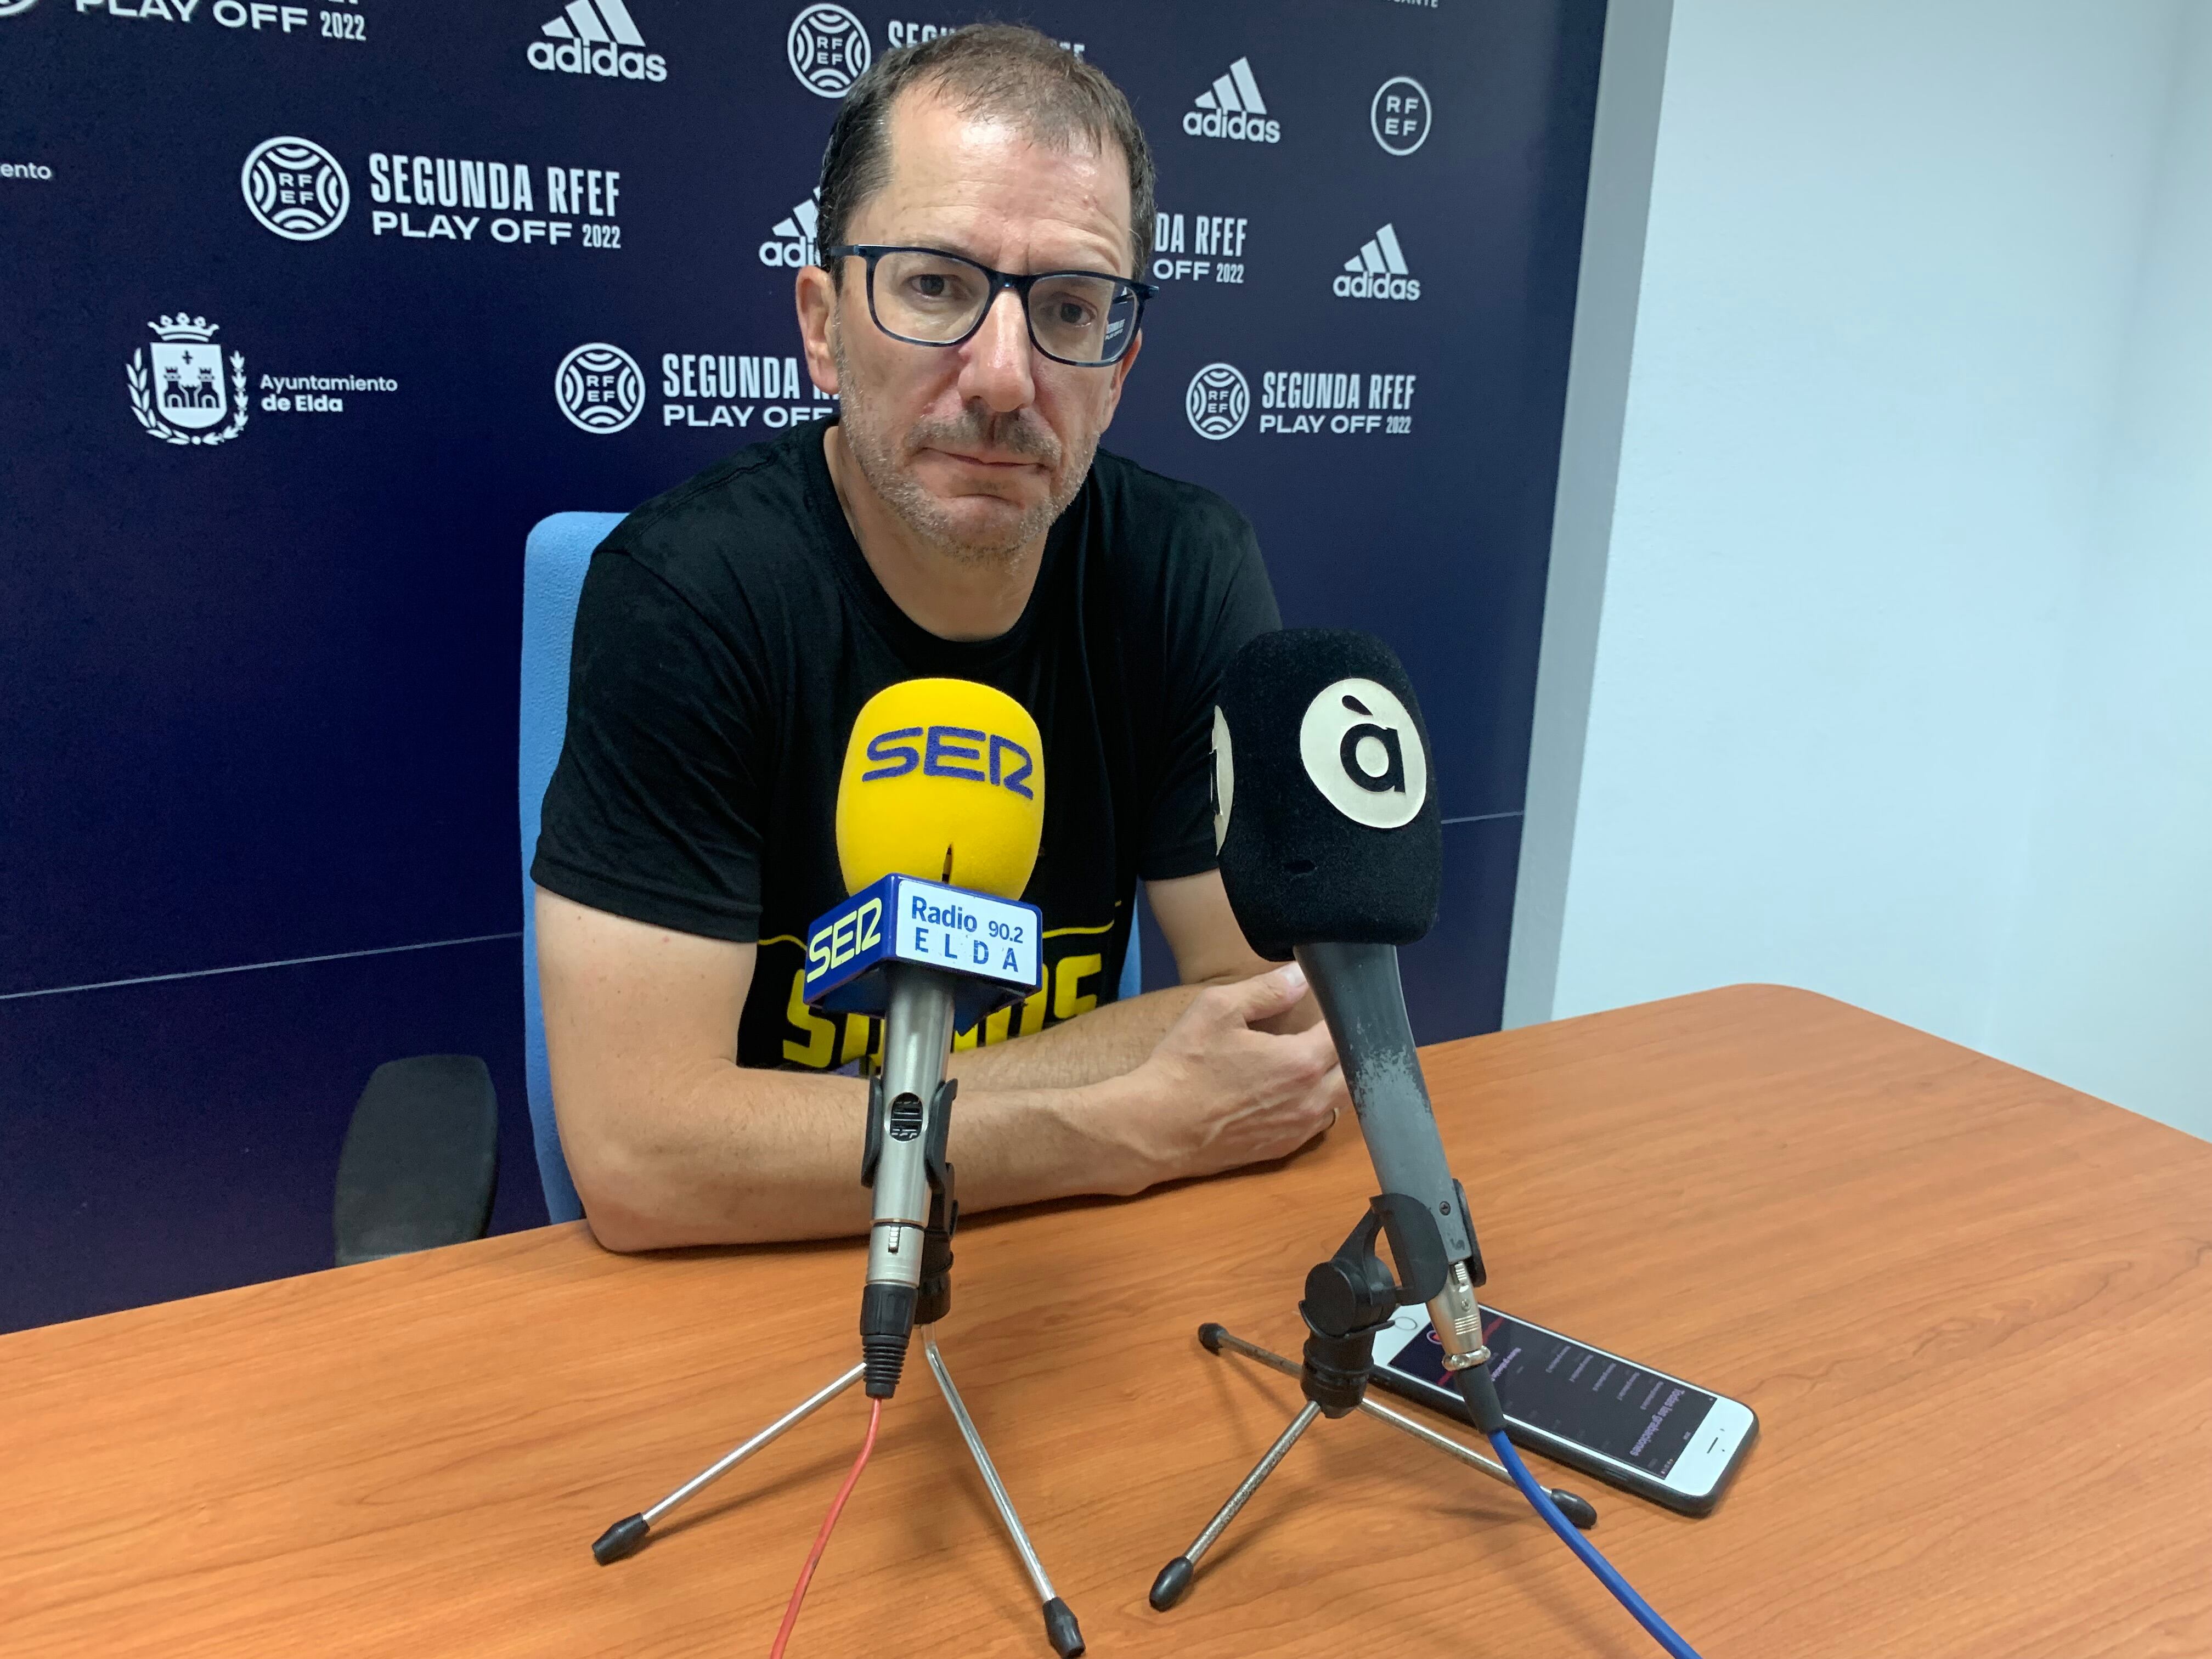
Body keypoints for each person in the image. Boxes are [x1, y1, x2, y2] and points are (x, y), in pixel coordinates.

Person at [532, 24, 1345, 1252]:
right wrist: (1110, 1126)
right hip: (766, 1273)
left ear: (1120, 369)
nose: (1005, 377)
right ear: (823, 325)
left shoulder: (1185, 567)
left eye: (1069, 308)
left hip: (1058, 1258)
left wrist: (807, 1126)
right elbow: (646, 1156)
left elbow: (1275, 1024)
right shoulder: (689, 592)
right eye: (935, 287)